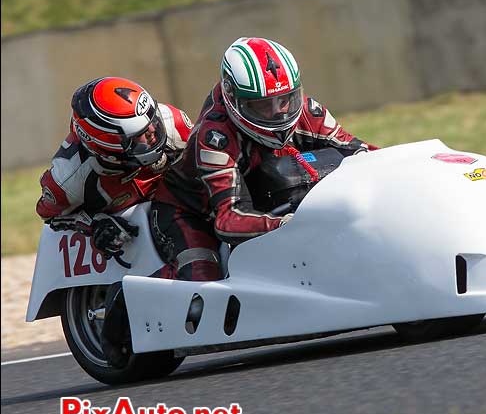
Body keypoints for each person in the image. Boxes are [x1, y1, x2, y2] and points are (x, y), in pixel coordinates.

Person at [150, 37, 377, 281]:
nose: (278, 112)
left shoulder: (308, 111)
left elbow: (365, 154)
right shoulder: (215, 136)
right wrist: (289, 224)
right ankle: (126, 299)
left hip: (257, 202)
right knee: (202, 273)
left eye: (285, 99)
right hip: (191, 213)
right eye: (262, 106)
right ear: (234, 100)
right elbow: (228, 219)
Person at [36, 76, 193, 258]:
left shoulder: (173, 122)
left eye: (152, 119)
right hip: (129, 251)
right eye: (139, 134)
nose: (152, 131)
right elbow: (50, 216)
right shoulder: (67, 179)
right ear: (107, 144)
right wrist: (94, 225)